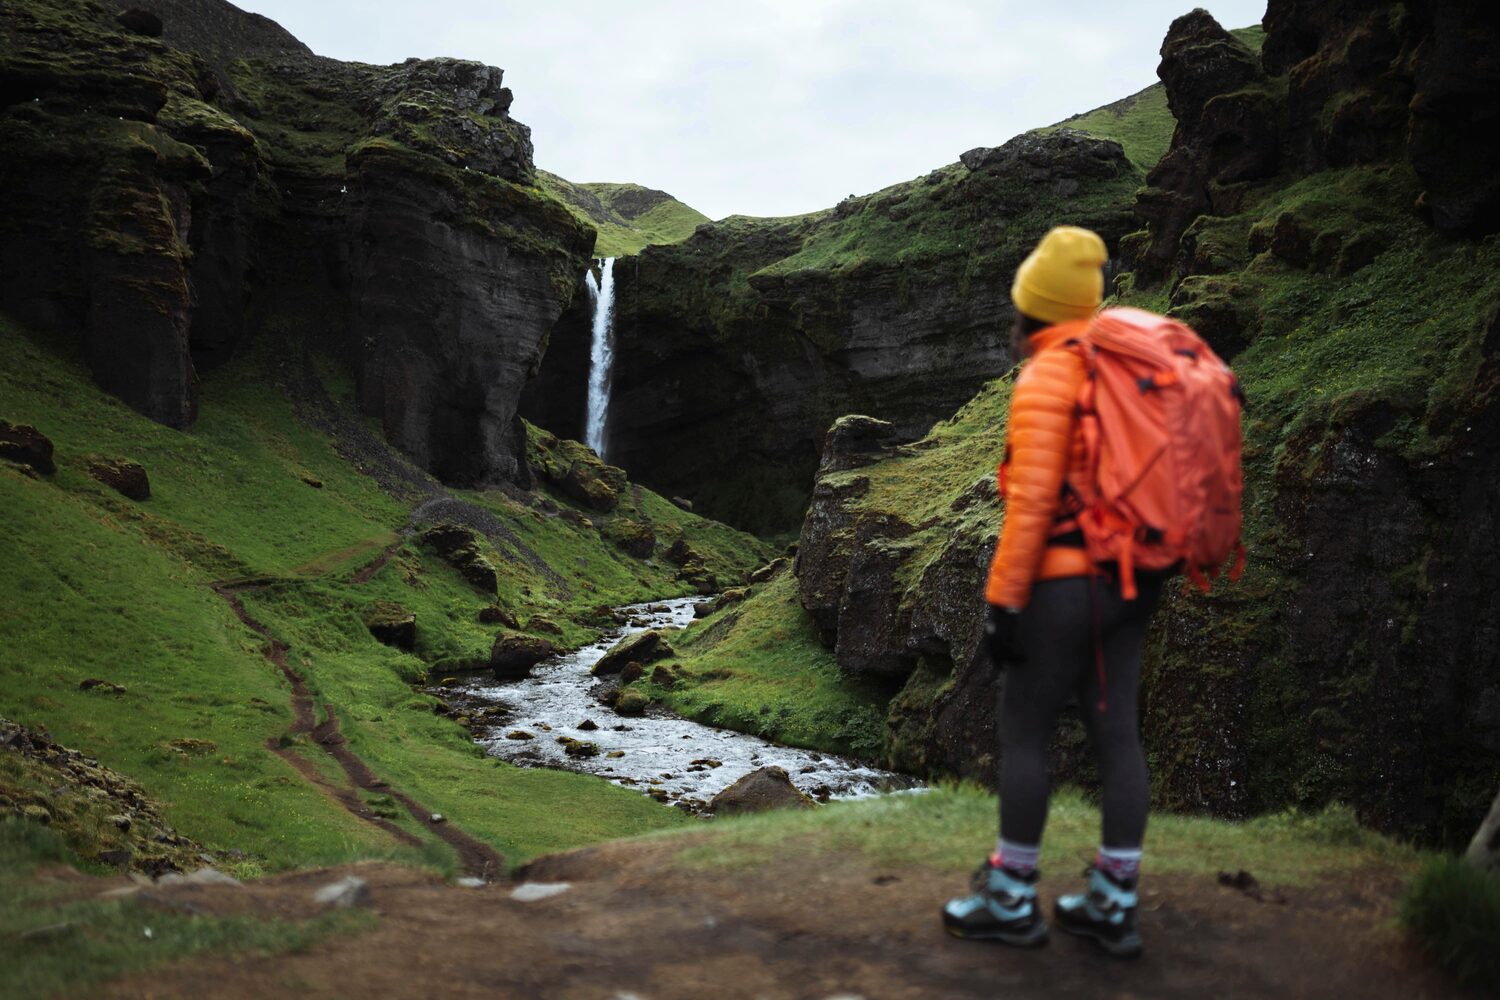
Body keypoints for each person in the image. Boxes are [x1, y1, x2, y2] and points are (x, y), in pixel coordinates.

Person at [941, 226, 1166, 958]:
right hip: (1131, 581)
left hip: (1065, 587)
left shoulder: (1049, 374)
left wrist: (1003, 604)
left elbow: (1032, 503)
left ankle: (1009, 902)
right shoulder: (1125, 370)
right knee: (1118, 735)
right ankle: (1114, 903)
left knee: (1026, 735)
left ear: (1034, 309)